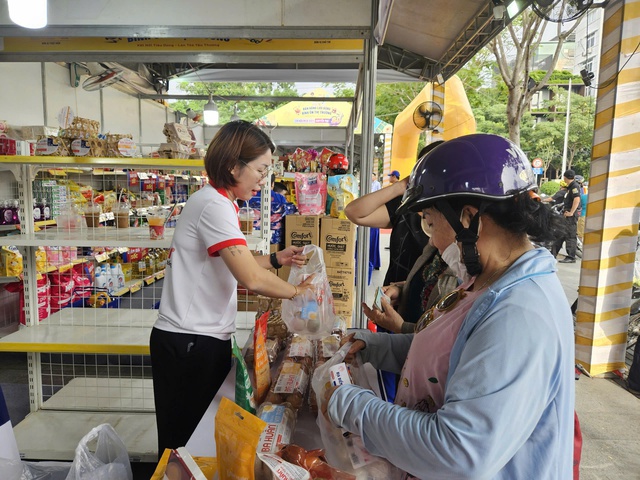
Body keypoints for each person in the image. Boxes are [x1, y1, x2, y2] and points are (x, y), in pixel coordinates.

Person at [324, 134, 575, 478]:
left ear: (468, 218)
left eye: (429, 220)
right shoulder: (486, 279)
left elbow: (458, 453)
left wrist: (347, 404)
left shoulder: (520, 313)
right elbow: (450, 351)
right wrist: (375, 345)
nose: (430, 238)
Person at [150, 120, 314, 456]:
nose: (263, 178)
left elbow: (234, 260)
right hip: (190, 342)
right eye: (260, 169)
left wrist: (275, 258)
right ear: (232, 166)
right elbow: (250, 278)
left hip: (198, 338)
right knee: (184, 444)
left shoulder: (219, 202)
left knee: (194, 438)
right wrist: (301, 293)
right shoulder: (213, 205)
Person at [553, 169, 582, 263]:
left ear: (565, 177)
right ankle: (552, 254)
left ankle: (571, 257)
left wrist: (571, 212)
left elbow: (576, 199)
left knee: (570, 236)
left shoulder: (574, 186)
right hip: (566, 214)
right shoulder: (570, 187)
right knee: (560, 233)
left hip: (570, 215)